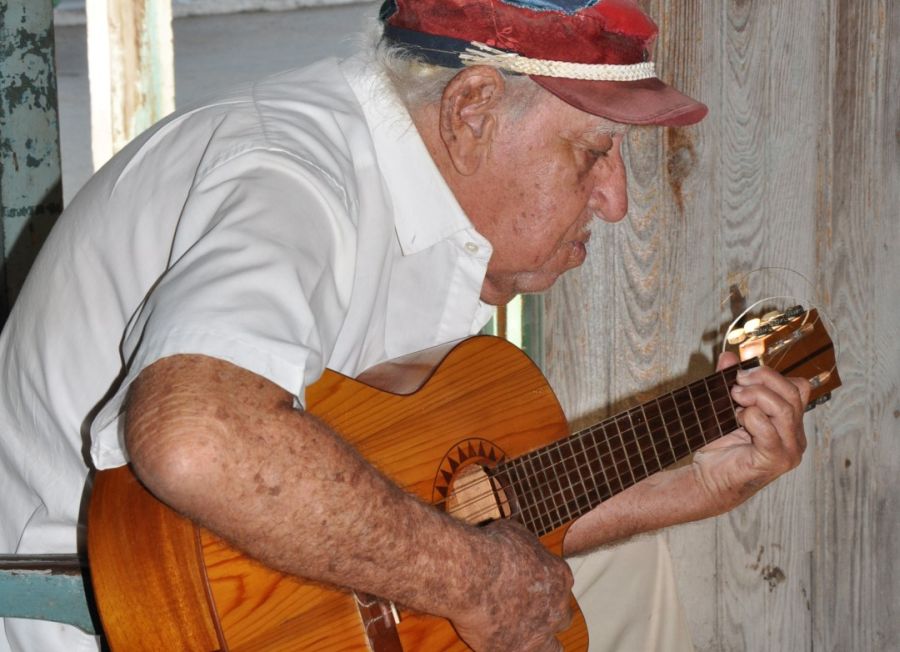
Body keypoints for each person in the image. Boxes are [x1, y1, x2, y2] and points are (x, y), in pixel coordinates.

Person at [0, 0, 811, 650]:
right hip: (118, 610)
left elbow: (448, 515)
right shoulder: (290, 176)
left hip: (269, 592)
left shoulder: (409, 199)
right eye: (592, 153)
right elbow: (198, 437)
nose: (616, 198)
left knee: (629, 570)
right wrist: (474, 583)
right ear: (472, 109)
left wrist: (692, 485)